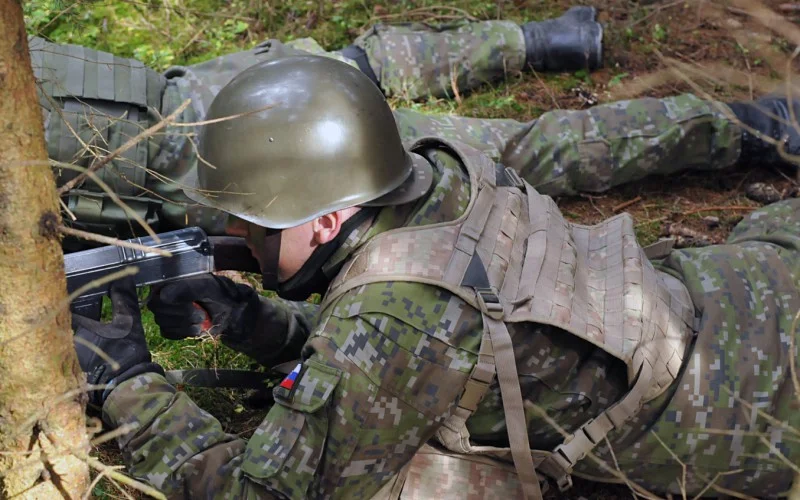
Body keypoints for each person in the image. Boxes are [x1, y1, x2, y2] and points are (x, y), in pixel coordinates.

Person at [73, 56, 800, 499]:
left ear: (329, 220)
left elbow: (260, 492)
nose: (238, 240)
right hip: (749, 278)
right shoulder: (437, 173)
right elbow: (447, 345)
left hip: (755, 411)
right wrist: (256, 323)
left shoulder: (395, 323)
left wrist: (129, 382)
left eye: (258, 226)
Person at [33, 6, 605, 244]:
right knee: (382, 86)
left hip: (195, 121)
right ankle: (556, 47)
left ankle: (547, 44)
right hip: (196, 140)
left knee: (367, 72)